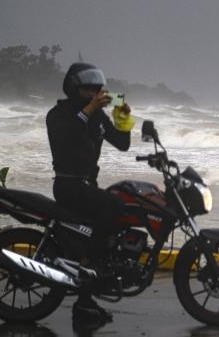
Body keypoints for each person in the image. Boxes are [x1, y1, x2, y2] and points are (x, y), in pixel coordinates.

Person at [46, 62, 135, 322]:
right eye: (88, 89)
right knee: (114, 206)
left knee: (121, 204)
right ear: (74, 88)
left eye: (98, 89)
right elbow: (70, 136)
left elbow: (122, 144)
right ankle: (91, 267)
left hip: (87, 185)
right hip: (68, 186)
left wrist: (123, 117)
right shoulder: (58, 114)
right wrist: (91, 109)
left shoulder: (96, 116)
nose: (95, 93)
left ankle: (87, 294)